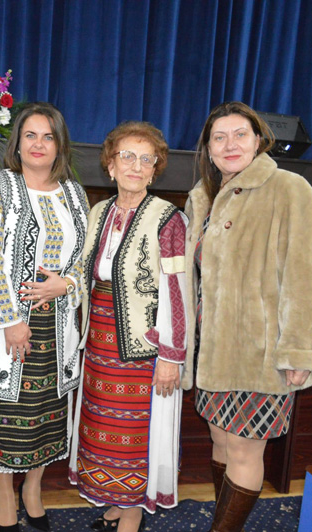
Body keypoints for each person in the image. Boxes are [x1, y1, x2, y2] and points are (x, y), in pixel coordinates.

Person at [183, 101, 312, 532]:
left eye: (240, 135)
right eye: (219, 137)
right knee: (219, 439)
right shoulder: (203, 197)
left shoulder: (289, 189)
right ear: (208, 148)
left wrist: (300, 352)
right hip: (212, 350)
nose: (230, 144)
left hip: (260, 353)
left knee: (244, 450)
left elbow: (306, 274)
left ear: (258, 140)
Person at [0, 102, 90, 532]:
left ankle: (33, 488)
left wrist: (66, 284)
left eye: (48, 136)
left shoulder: (74, 193)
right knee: (7, 410)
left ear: (60, 145)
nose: (38, 144)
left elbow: (85, 259)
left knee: (48, 410)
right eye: (30, 135)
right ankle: (4, 491)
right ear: (16, 143)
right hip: (9, 324)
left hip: (59, 324)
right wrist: (11, 322)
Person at [68, 122, 189, 532]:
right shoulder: (99, 212)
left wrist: (171, 355)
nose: (135, 166)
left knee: (134, 434)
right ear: (110, 165)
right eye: (127, 156)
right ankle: (116, 501)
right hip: (100, 342)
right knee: (102, 426)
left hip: (145, 348)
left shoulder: (168, 219)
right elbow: (84, 272)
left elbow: (177, 291)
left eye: (146, 159)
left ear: (155, 170)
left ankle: (132, 512)